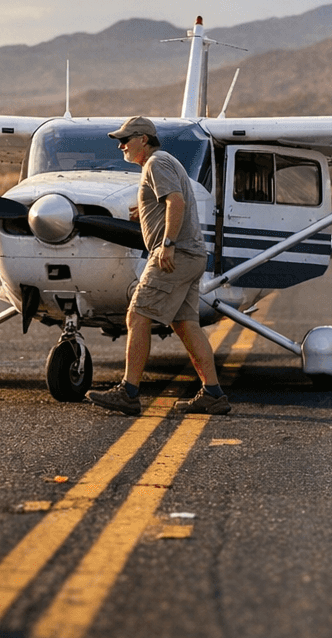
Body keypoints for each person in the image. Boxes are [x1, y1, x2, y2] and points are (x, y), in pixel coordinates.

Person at [86, 116, 229, 416]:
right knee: (186, 325)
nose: (121, 145)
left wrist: (167, 243)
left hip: (175, 257)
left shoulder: (155, 163)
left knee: (137, 315)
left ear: (144, 139)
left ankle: (128, 392)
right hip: (192, 256)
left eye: (126, 139)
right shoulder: (165, 162)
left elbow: (175, 202)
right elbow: (170, 199)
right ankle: (213, 394)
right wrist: (146, 209)